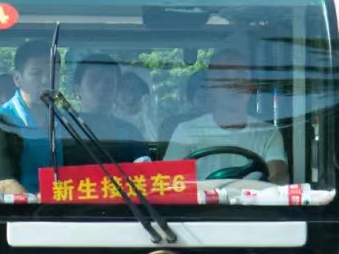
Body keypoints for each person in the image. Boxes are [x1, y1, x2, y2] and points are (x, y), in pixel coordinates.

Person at [164, 50, 288, 184]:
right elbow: (169, 182)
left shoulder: (268, 133)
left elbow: (279, 178)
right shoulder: (186, 132)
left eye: (240, 76)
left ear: (251, 87)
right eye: (222, 77)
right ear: (210, 87)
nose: (233, 84)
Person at [0, 39, 56, 198]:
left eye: (52, 73)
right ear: (17, 79)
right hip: (17, 210)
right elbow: (7, 185)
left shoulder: (62, 120)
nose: (45, 80)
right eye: (36, 73)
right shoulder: (3, 123)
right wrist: (40, 204)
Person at [70, 54, 147, 160]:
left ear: (116, 89)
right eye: (94, 80)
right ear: (78, 89)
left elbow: (143, 168)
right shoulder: (63, 128)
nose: (101, 87)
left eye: (109, 82)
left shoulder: (131, 133)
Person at [115, 72, 158, 141]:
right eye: (123, 87)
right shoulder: (107, 116)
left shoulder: (151, 118)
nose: (128, 92)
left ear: (143, 93)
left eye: (133, 88)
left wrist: (148, 115)